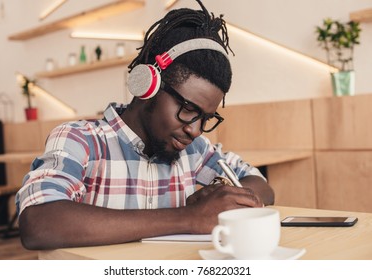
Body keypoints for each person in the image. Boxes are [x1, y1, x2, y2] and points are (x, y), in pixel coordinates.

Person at [15, 0, 274, 250]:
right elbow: (38, 222)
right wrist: (189, 217)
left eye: (206, 119)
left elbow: (260, 185)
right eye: (187, 110)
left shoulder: (194, 151)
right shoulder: (80, 140)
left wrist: (222, 199)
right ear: (146, 85)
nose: (194, 130)